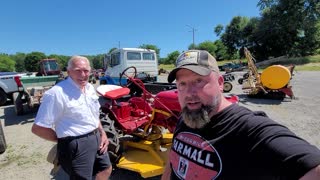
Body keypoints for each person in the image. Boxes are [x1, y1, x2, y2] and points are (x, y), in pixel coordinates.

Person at [161, 50, 320, 180]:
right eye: (182, 83)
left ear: (221, 83)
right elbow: (173, 160)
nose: (189, 93)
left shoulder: (249, 129)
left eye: (198, 81)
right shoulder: (187, 116)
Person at [32, 55, 112, 180]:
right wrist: (64, 140)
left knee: (106, 169)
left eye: (86, 70)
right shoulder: (56, 93)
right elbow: (38, 128)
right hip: (75, 143)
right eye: (78, 70)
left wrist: (102, 133)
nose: (83, 74)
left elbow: (94, 114)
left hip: (96, 137)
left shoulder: (90, 88)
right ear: (68, 72)